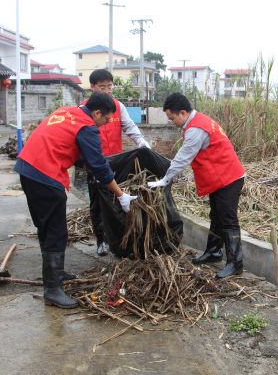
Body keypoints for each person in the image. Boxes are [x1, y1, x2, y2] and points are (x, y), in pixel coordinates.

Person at [15, 92, 137, 309]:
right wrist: (121, 195)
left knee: (46, 226)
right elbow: (98, 166)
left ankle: (55, 274)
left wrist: (91, 163)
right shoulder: (87, 126)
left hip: (27, 169)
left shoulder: (66, 112)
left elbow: (72, 149)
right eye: (106, 119)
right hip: (45, 175)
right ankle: (52, 290)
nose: (107, 123)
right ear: (97, 113)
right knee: (56, 231)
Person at [147, 93, 246, 278]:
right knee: (216, 216)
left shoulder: (196, 129)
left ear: (182, 112)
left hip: (229, 178)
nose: (172, 122)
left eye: (172, 118)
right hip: (220, 177)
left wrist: (165, 179)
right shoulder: (198, 121)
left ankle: (235, 263)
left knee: (228, 219)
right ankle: (214, 252)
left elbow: (183, 158)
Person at [80, 69, 151, 257]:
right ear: (93, 87)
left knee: (118, 199)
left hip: (116, 162)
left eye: (109, 87)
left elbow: (129, 126)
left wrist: (141, 142)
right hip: (95, 164)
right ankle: (101, 240)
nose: (107, 91)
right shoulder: (84, 110)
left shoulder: (118, 106)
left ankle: (120, 238)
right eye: (102, 87)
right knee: (97, 204)